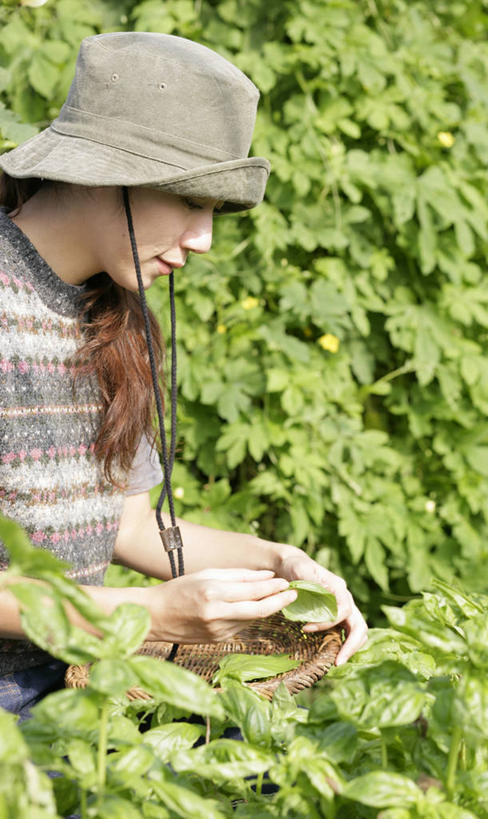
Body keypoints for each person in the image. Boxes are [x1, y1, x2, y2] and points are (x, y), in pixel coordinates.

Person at [0, 31, 367, 720]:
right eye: (191, 201)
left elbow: (127, 528)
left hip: (81, 689)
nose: (203, 239)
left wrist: (279, 566)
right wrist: (141, 612)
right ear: (109, 171)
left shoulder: (115, 319)